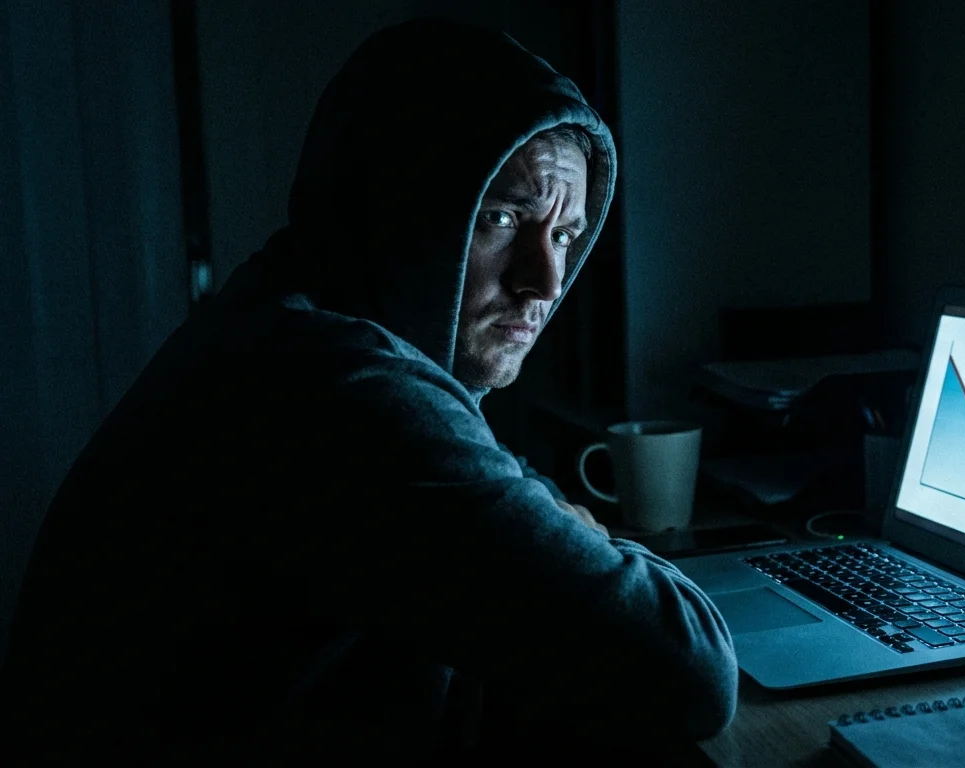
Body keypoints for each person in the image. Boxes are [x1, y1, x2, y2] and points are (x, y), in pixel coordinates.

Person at [0, 18, 736, 765]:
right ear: (396, 205)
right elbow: (694, 670)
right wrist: (591, 537)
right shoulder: (334, 388)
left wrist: (561, 531)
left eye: (565, 235)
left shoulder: (286, 317)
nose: (543, 281)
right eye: (502, 219)